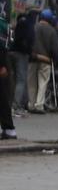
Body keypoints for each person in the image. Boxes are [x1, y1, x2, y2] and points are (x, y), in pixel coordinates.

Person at [27, 9, 58, 114]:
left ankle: (31, 104)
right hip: (45, 60)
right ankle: (39, 105)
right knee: (43, 82)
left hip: (32, 58)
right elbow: (54, 49)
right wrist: (54, 58)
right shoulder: (52, 31)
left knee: (31, 82)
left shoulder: (33, 27)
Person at [9, 12, 34, 115]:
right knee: (21, 80)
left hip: (11, 52)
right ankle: (16, 107)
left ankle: (11, 104)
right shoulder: (27, 25)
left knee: (14, 79)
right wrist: (28, 51)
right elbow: (29, 39)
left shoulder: (16, 26)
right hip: (21, 54)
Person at [0, 10, 17, 139]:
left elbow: (2, 47)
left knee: (2, 97)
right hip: (4, 62)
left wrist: (2, 65)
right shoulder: (4, 23)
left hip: (2, 63)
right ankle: (8, 128)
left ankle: (9, 128)